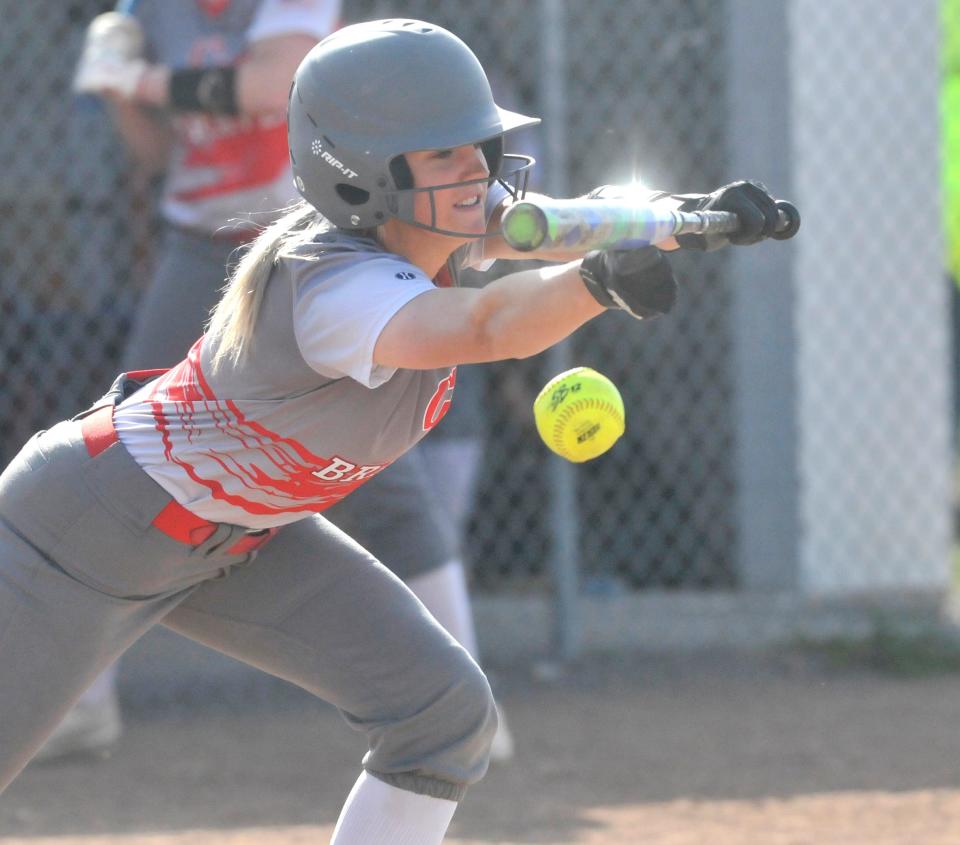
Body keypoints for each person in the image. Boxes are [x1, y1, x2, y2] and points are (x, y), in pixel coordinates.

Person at [0, 18, 782, 842]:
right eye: (445, 154)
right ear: (363, 175)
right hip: (83, 533)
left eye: (479, 146)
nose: (478, 170)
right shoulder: (333, 285)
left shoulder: (435, 228)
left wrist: (686, 219)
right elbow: (483, 325)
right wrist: (596, 284)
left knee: (441, 715)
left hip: (237, 539)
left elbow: (547, 223)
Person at [36, 0, 514, 764]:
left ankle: (464, 697)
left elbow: (272, 85)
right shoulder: (156, 12)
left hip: (307, 250)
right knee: (129, 460)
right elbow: (156, 153)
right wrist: (120, 90)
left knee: (383, 484)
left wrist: (145, 76)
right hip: (199, 244)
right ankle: (79, 699)